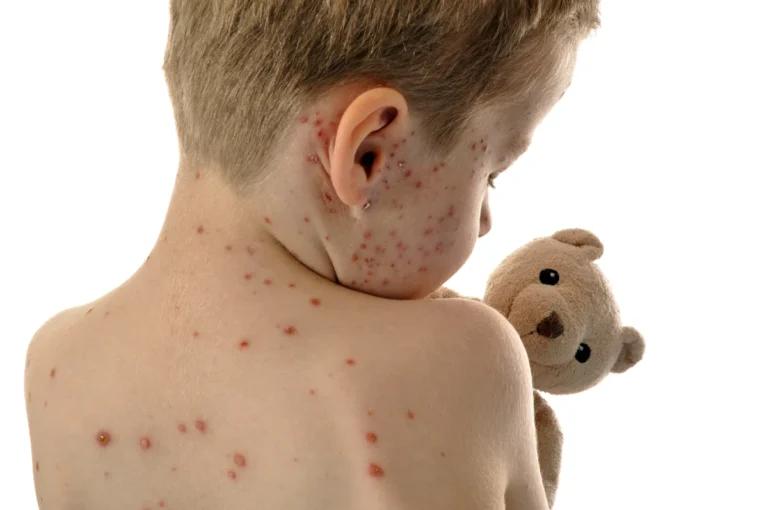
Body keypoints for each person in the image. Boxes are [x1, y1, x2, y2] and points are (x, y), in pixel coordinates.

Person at [24, 1, 600, 508]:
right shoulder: (465, 359)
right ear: (369, 154)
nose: (485, 221)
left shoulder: (56, 366)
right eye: (492, 174)